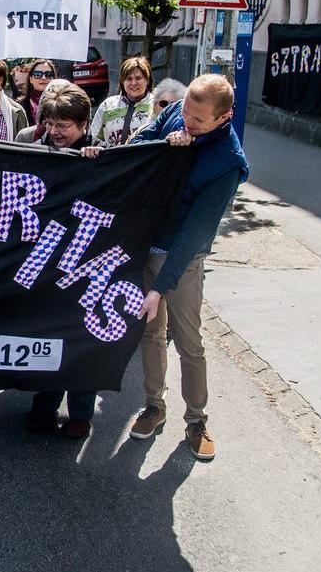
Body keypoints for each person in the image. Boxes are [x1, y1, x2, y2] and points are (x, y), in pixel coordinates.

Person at [106, 74, 248, 461]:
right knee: (151, 332)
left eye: (199, 120)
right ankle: (154, 406)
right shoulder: (176, 116)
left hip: (181, 259)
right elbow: (135, 148)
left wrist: (159, 287)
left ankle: (196, 421)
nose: (188, 122)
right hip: (146, 246)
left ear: (224, 117)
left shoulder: (228, 163)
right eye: (186, 112)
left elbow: (194, 234)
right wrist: (164, 146)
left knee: (188, 341)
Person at [23, 84, 102, 437]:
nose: (55, 132)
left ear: (84, 124)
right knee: (49, 338)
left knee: (84, 344)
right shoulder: (35, 153)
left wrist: (97, 163)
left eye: (64, 126)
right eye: (51, 124)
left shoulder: (103, 156)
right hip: (44, 265)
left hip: (85, 266)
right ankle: (44, 406)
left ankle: (81, 416)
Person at [89, 56, 157, 147]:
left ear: (148, 80)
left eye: (138, 78)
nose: (133, 83)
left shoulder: (157, 104)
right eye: (129, 79)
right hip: (113, 159)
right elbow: (92, 137)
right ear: (122, 81)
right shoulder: (107, 105)